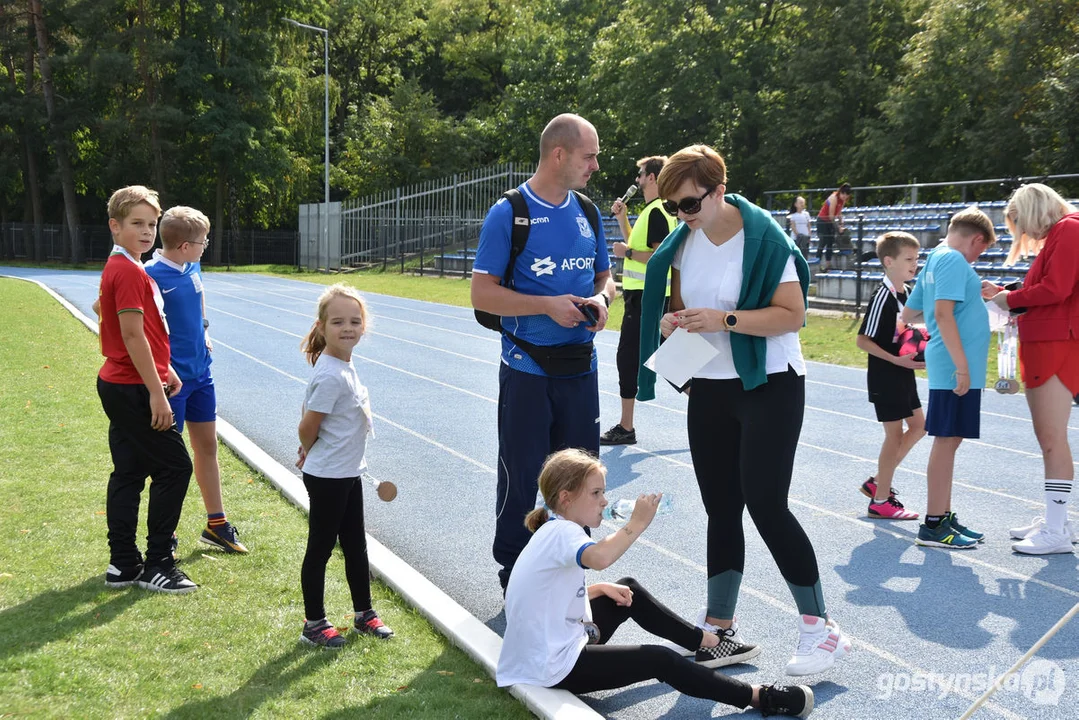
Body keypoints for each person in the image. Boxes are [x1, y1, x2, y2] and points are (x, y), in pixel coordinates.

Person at [637, 145, 851, 676]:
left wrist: (723, 320)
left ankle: (821, 630)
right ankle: (720, 631)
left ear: (716, 189)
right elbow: (689, 312)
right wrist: (675, 324)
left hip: (769, 383)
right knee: (721, 509)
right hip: (710, 386)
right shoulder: (684, 244)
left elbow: (792, 315)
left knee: (766, 504)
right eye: (673, 208)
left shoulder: (765, 239)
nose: (680, 217)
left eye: (688, 204)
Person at [497, 449, 815, 718]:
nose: (604, 501)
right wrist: (637, 524)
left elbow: (542, 595)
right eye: (595, 493)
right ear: (566, 498)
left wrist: (598, 589)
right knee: (658, 660)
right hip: (553, 667)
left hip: (541, 652)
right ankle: (759, 696)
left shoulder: (552, 530)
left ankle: (702, 641)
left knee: (627, 589)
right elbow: (600, 558)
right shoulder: (563, 533)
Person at [471, 113, 616, 592]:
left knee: (583, 480)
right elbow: (482, 295)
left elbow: (603, 276)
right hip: (526, 367)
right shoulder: (509, 212)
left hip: (581, 369)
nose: (596, 164)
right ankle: (515, 572)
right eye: (589, 155)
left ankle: (574, 571)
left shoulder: (589, 212)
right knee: (524, 473)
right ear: (560, 154)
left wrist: (602, 299)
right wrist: (546, 307)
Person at [97, 185, 196, 594]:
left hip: (123, 381)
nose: (146, 231)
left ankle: (122, 564)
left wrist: (165, 366)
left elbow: (119, 322)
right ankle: (158, 563)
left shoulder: (120, 267)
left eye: (151, 224)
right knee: (176, 467)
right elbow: (133, 334)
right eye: (136, 223)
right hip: (133, 387)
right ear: (114, 226)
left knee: (130, 471)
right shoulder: (130, 271)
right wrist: (157, 391)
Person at [143, 206, 248, 554]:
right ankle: (165, 533)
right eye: (203, 241)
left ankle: (216, 524)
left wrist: (203, 331)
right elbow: (108, 309)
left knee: (207, 447)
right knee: (168, 463)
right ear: (185, 245)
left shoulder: (193, 265)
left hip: (202, 375)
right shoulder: (150, 275)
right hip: (172, 382)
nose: (207, 246)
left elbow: (199, 300)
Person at [296, 284, 393, 647]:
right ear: (322, 327)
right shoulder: (331, 374)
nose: (347, 328)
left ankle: (364, 613)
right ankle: (314, 623)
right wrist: (309, 452)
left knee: (355, 545)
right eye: (338, 322)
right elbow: (307, 424)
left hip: (348, 472)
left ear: (364, 327)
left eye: (355, 321)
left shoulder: (341, 365)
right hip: (328, 476)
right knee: (320, 547)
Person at [984, 184, 1079, 555]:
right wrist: (1009, 291)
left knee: (1052, 438)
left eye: (1022, 223)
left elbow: (1055, 289)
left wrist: (1011, 298)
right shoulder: (1064, 230)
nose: (1025, 234)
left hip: (1056, 343)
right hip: (1050, 340)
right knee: (1051, 438)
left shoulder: (1069, 229)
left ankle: (1056, 529)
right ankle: (1058, 521)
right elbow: (1052, 286)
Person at [901, 207, 996, 549]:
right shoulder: (954, 260)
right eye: (981, 251)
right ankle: (934, 524)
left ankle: (942, 515)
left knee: (950, 439)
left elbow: (909, 312)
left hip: (951, 362)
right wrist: (962, 366)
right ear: (977, 239)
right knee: (946, 439)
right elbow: (941, 313)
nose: (978, 257)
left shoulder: (938, 259)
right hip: (956, 365)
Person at [602, 156, 677, 446]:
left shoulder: (657, 212)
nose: (637, 180)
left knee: (630, 358)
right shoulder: (653, 211)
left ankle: (626, 426)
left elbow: (660, 257)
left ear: (654, 178)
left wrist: (627, 254)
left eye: (641, 174)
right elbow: (637, 244)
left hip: (647, 298)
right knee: (671, 359)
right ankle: (715, 407)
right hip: (647, 297)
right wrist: (623, 220)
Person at [855, 232, 926, 520]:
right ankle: (880, 500)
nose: (914, 265)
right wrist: (896, 359)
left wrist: (919, 349)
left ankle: (877, 482)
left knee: (920, 426)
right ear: (888, 261)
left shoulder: (906, 293)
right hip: (887, 374)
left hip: (903, 372)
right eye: (909, 259)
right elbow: (863, 340)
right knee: (894, 436)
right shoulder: (882, 296)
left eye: (917, 259)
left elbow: (908, 330)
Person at [815, 183, 851, 272]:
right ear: (840, 192)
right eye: (843, 193)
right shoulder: (834, 198)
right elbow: (831, 216)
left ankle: (828, 265)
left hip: (830, 221)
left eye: (847, 194)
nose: (844, 196)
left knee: (830, 243)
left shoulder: (843, 200)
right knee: (823, 241)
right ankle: (817, 263)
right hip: (822, 221)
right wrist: (838, 227)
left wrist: (841, 222)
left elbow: (839, 213)